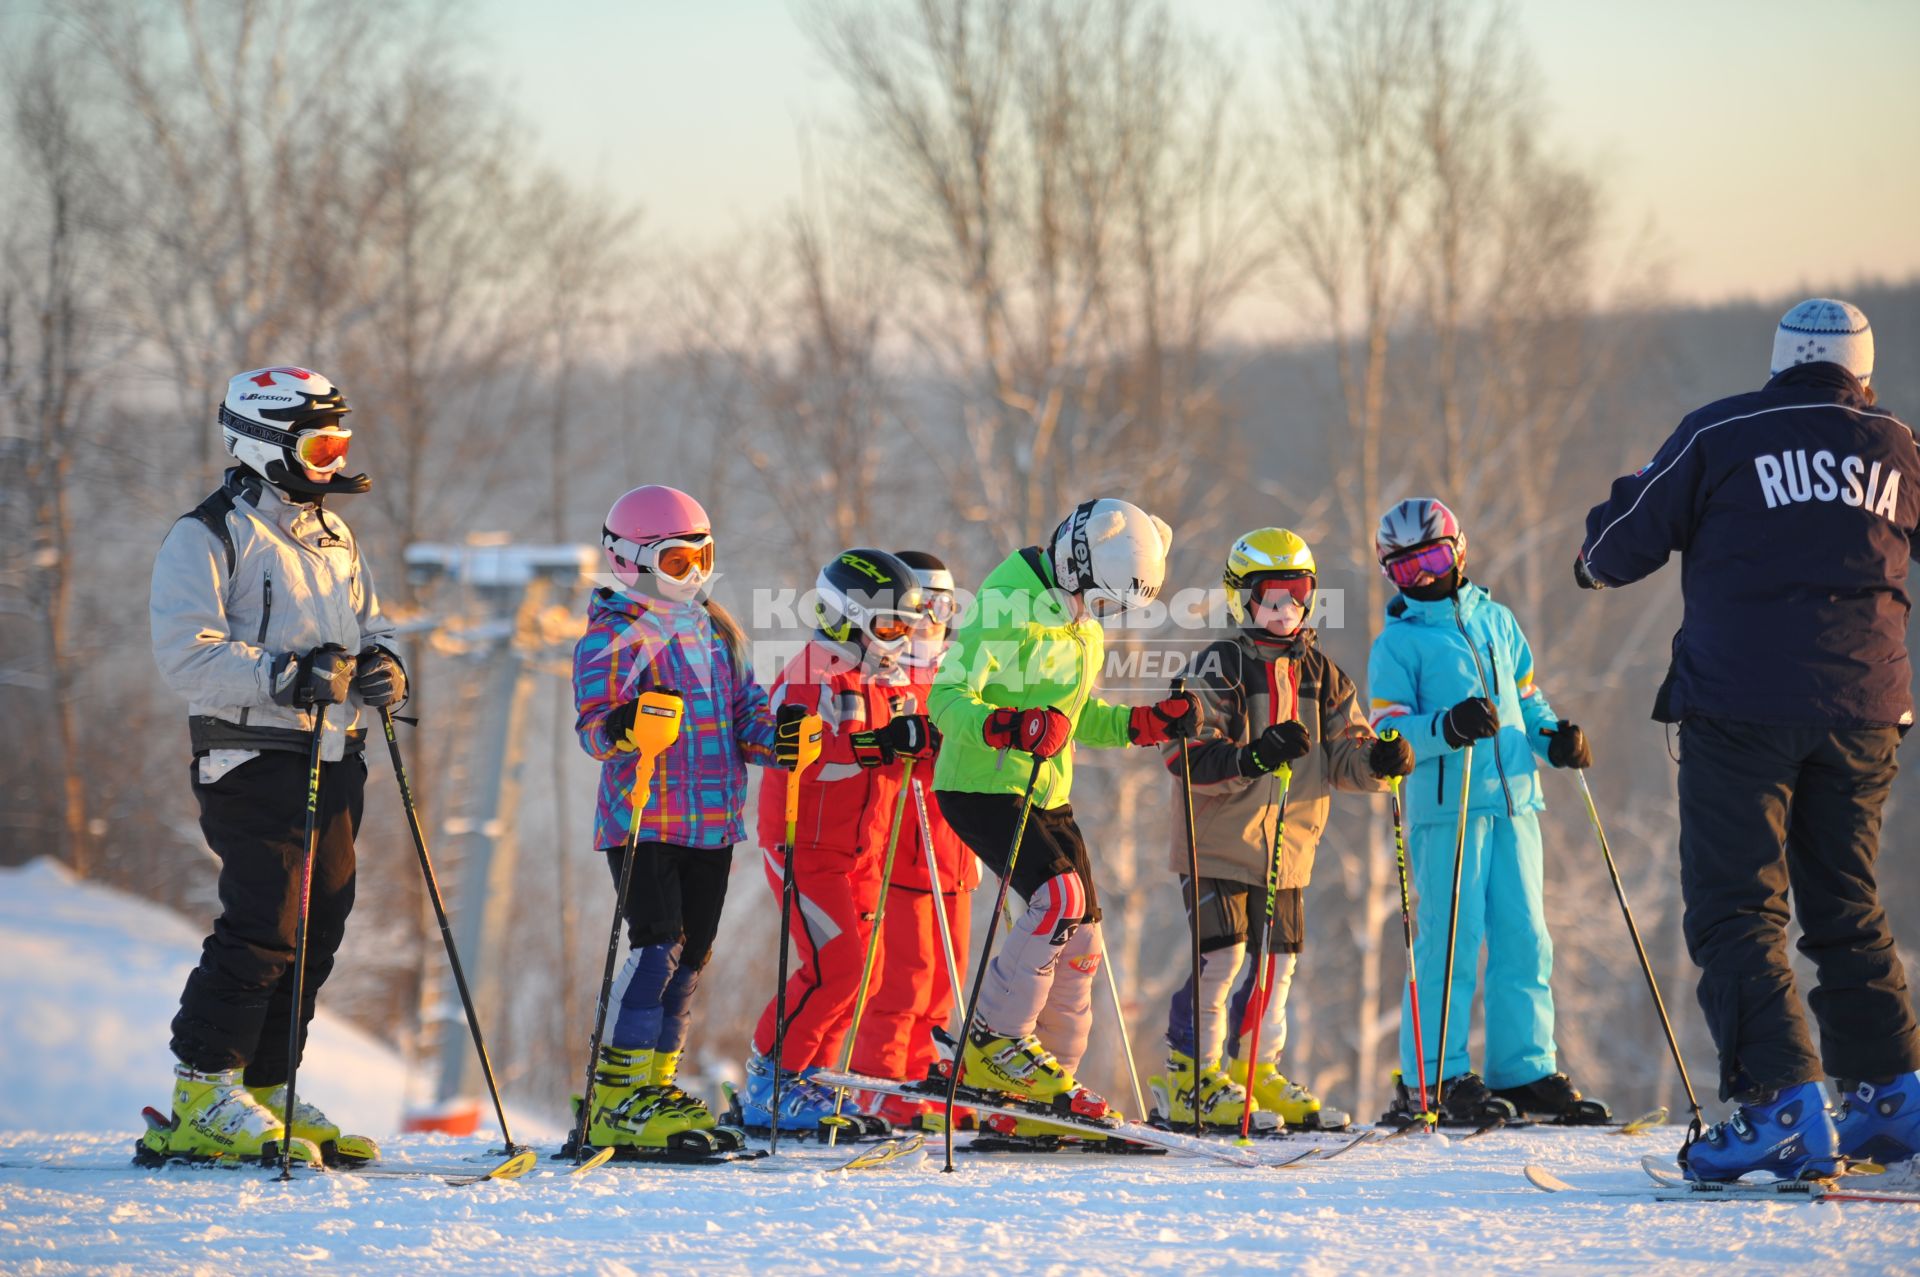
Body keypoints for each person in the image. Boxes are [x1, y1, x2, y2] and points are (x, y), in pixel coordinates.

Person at [1577, 298, 1920, 1181]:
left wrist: (1589, 558)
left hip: (1741, 709)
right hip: (1868, 709)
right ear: (1863, 368)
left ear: (1780, 360)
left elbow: (1618, 544)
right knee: (1847, 901)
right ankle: (1891, 1101)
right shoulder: (1898, 443)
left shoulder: (1725, 430)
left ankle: (1779, 1108)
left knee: (1738, 908)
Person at [145, 366, 402, 1165]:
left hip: (334, 752)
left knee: (320, 923)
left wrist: (381, 659)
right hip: (250, 755)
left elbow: (368, 620)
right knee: (265, 922)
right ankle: (202, 1088)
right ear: (264, 442)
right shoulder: (210, 533)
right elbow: (185, 653)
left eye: (340, 444)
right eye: (319, 444)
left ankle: (264, 1081)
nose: (332, 461)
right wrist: (287, 676)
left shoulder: (333, 534)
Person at [931, 497, 1199, 1125]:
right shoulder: (1004, 607)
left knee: (1082, 937)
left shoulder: (1080, 616)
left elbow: (1072, 718)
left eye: (1114, 608)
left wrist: (1143, 723)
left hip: (1046, 790)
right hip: (980, 785)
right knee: (1058, 901)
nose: (1102, 615)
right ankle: (994, 1043)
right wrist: (1005, 725)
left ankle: (1043, 1087)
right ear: (1075, 565)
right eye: (1103, 601)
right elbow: (945, 699)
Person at [1154, 529, 1413, 1132]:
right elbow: (1183, 751)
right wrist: (1254, 756)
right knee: (1222, 956)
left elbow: (1346, 752)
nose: (1285, 610)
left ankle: (1254, 1073)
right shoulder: (1221, 665)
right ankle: (1191, 1077)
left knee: (1277, 965)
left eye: (1298, 596)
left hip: (1290, 849)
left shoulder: (1323, 674)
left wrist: (1379, 762)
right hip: (1218, 841)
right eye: (1271, 598)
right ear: (1241, 599)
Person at [571, 484, 801, 1151]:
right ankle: (617, 1095)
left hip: (712, 822)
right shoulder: (614, 634)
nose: (695, 573)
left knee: (692, 955)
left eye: (703, 555)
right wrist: (625, 723)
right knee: (655, 947)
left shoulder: (715, 626)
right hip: (643, 816)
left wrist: (777, 737)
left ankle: (656, 1082)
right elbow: (593, 727)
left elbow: (746, 711)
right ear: (631, 561)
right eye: (677, 562)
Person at [1368, 497, 1610, 1127]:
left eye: (1432, 559)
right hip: (1448, 809)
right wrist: (1444, 726)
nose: (1422, 578)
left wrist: (1554, 736)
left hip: (1514, 800)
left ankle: (1524, 1068)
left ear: (1459, 551)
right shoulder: (1397, 644)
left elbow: (1527, 699)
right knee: (1452, 940)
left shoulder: (1498, 621)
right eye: (1405, 569)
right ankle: (1435, 1075)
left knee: (1526, 936)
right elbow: (1388, 730)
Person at [741, 548, 940, 1132]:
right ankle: (771, 1079)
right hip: (806, 846)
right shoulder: (811, 671)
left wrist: (934, 751)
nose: (900, 639)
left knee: (865, 976)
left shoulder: (883, 681)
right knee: (836, 970)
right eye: (888, 626)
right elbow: (802, 753)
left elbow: (905, 764)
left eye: (907, 626)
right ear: (846, 615)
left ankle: (813, 1083)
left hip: (862, 852)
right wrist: (878, 745)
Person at [847, 551, 981, 1128]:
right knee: (904, 977)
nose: (931, 620)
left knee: (941, 987)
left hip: (957, 849)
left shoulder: (962, 672)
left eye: (943, 607)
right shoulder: (886, 673)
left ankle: (923, 1082)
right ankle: (880, 1083)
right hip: (904, 849)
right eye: (921, 606)